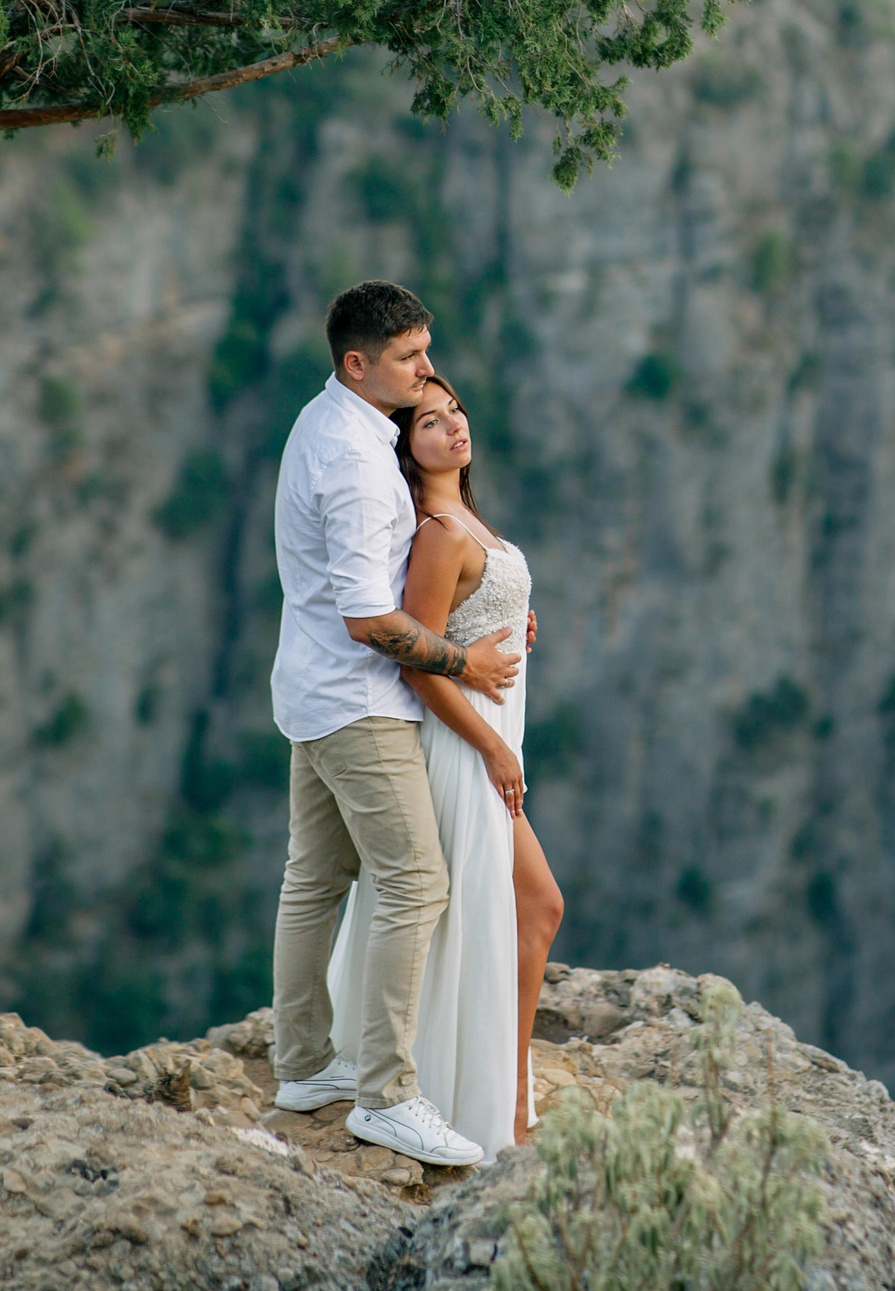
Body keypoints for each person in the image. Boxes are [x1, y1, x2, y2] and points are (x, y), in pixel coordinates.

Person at [265, 281, 523, 1168]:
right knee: (417, 882)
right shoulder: (358, 460)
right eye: (410, 357)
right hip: (356, 700)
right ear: (357, 362)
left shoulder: (325, 424)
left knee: (316, 878)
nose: (426, 370)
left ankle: (303, 1067)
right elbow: (371, 621)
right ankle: (389, 1095)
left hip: (308, 690)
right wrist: (467, 662)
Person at [327, 374, 562, 1157]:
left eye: (456, 408)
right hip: (466, 751)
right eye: (429, 421)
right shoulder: (438, 531)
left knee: (526, 910)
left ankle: (504, 1085)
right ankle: (492, 1096)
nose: (453, 425)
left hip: (492, 742)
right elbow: (419, 665)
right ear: (406, 444)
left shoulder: (467, 520)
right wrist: (494, 747)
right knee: (528, 907)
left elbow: (468, 621)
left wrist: (512, 622)